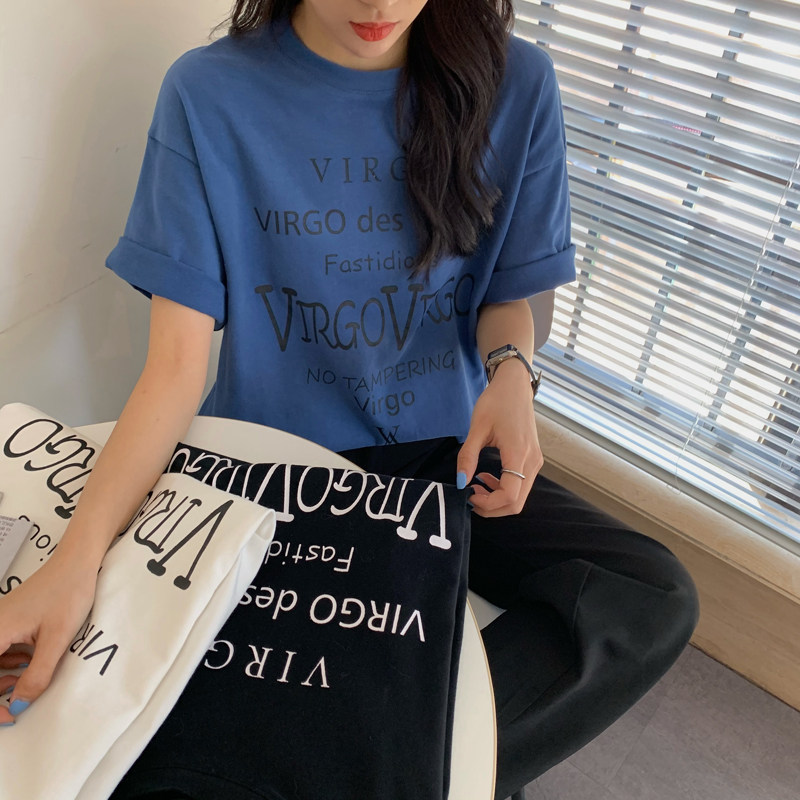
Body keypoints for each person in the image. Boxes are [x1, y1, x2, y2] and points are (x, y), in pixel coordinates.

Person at [0, 1, 699, 797]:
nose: (379, 6)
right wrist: (76, 560)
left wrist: (512, 372)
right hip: (279, 475)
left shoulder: (517, 83)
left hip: (445, 461)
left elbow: (509, 290)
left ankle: (398, 766)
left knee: (647, 594)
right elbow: (174, 368)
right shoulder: (210, 94)